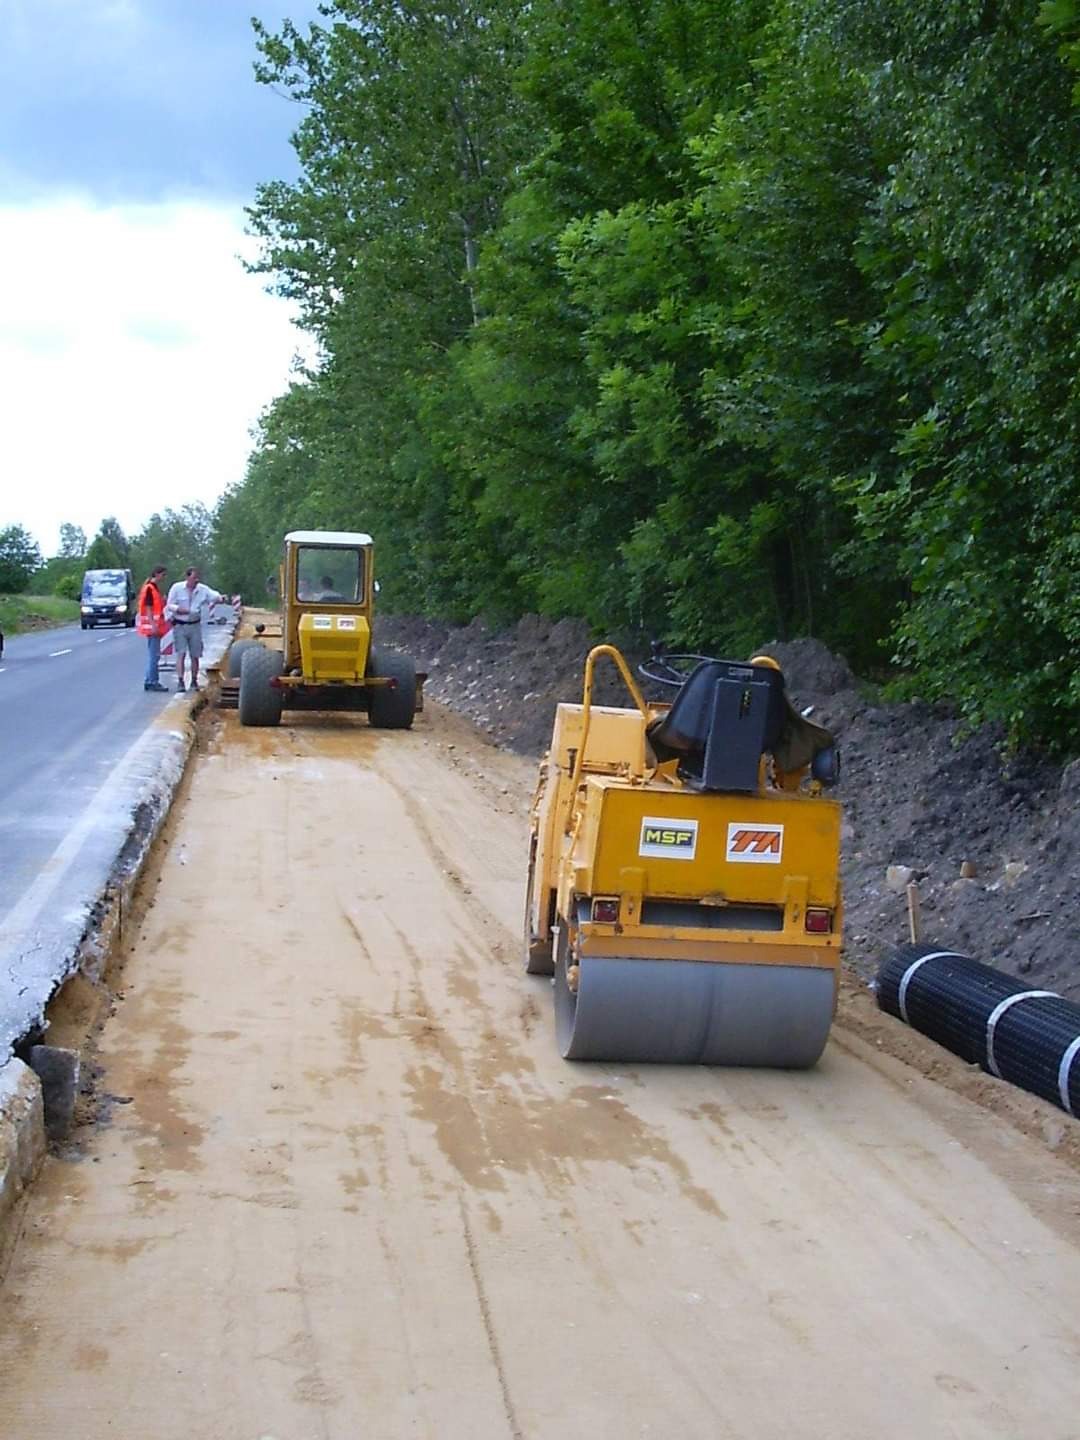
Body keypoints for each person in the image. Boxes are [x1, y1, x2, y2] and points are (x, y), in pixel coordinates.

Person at [164, 565, 227, 692]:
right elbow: (169, 605)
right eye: (194, 578)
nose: (196, 581)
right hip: (180, 624)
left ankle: (194, 680)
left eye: (197, 578)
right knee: (181, 654)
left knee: (195, 655)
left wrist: (221, 598)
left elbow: (214, 596)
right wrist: (178, 610)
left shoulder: (202, 589)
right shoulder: (177, 588)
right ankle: (181, 681)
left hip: (195, 625)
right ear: (187, 577)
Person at [136, 565, 168, 692]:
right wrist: (153, 624)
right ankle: (152, 681)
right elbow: (149, 608)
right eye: (163, 575)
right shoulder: (150, 588)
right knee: (154, 656)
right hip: (153, 627)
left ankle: (149, 680)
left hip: (154, 626)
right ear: (157, 574)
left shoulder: (152, 587)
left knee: (153, 655)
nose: (164, 578)